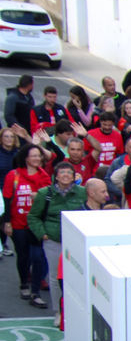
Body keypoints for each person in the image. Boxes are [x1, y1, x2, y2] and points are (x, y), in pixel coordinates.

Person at [29, 161, 87, 325]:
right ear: (56, 176)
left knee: (78, 275)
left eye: (69, 172)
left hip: (76, 241)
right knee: (55, 277)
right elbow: (33, 216)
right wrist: (43, 234)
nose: (66, 176)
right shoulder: (44, 193)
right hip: (53, 240)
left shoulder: (82, 192)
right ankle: (59, 312)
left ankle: (78, 311)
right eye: (62, 173)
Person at [4, 143, 52, 307]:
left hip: (37, 223)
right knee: (23, 255)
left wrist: (38, 196)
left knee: (38, 256)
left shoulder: (44, 176)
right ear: (25, 158)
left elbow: (47, 199)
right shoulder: (14, 175)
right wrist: (7, 222)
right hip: (18, 222)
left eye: (39, 156)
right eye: (33, 155)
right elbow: (7, 199)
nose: (37, 158)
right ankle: (24, 283)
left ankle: (36, 288)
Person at [4, 75, 36, 141]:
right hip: (17, 134)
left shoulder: (29, 97)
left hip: (28, 132)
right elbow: (9, 116)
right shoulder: (13, 97)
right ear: (29, 85)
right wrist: (20, 128)